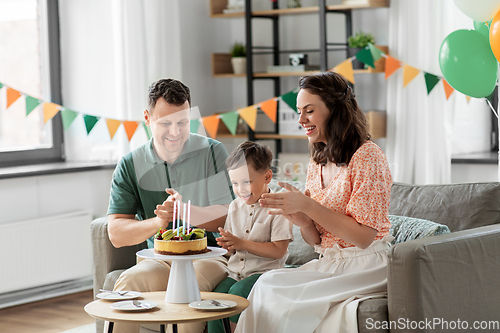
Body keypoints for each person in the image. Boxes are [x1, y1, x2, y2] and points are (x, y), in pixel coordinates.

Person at [234, 71, 393, 333]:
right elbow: (316, 241)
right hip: (332, 262)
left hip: (367, 263)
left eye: (309, 110)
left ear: (335, 111)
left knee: (284, 299)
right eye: (299, 111)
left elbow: (364, 237)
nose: (301, 120)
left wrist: (308, 206)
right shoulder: (317, 161)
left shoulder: (368, 157)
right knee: (266, 284)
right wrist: (304, 221)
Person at [107, 78, 235, 333]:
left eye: (183, 123)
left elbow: (229, 216)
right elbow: (116, 234)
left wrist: (186, 212)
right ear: (147, 117)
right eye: (165, 123)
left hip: (210, 257)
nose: (175, 133)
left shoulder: (213, 152)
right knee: (129, 281)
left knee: (191, 285)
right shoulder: (130, 164)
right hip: (160, 259)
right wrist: (158, 222)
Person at [207, 141, 294, 333]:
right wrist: (228, 245)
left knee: (238, 294)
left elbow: (279, 251)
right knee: (214, 300)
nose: (241, 189)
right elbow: (233, 249)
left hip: (265, 274)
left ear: (267, 176)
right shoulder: (234, 206)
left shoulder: (279, 206)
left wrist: (241, 243)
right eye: (235, 183)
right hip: (235, 272)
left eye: (247, 182)